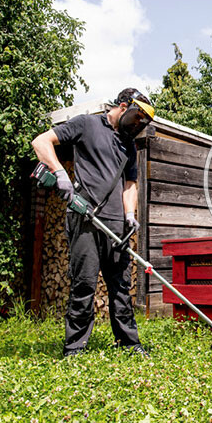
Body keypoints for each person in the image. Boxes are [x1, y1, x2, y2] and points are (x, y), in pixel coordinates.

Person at [31, 88, 155, 357]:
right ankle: (74, 348)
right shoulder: (86, 124)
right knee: (84, 284)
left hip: (116, 226)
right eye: (136, 118)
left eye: (142, 123)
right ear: (123, 106)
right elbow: (41, 142)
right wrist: (61, 174)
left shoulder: (128, 145)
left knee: (121, 287)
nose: (137, 125)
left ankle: (130, 345)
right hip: (85, 217)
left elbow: (130, 184)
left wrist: (130, 215)